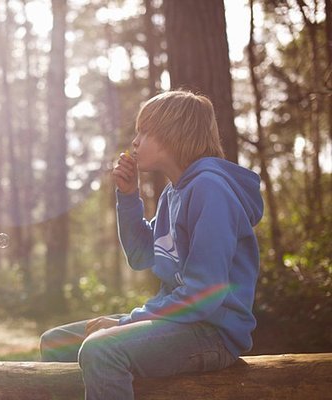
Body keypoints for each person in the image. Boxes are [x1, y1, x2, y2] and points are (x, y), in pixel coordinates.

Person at [39, 90, 264, 400]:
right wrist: (129, 196)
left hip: (212, 332)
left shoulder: (210, 189)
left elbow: (203, 295)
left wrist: (128, 322)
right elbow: (141, 255)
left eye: (143, 132)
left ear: (172, 135)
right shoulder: (175, 192)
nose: (135, 142)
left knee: (101, 350)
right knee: (55, 343)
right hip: (177, 321)